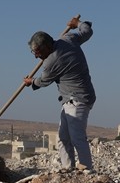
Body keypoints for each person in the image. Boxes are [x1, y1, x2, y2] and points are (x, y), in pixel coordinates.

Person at [25, 16, 95, 171]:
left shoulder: (52, 61)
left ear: (47, 47)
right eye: (33, 52)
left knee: (77, 137)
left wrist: (30, 82)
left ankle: (86, 169)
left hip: (77, 98)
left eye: (37, 52)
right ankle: (67, 168)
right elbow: (87, 31)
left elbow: (43, 81)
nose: (36, 56)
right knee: (63, 138)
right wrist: (78, 24)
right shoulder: (68, 39)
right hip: (74, 98)